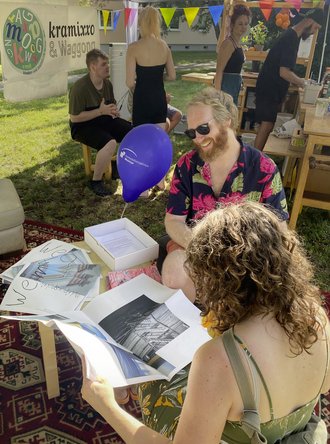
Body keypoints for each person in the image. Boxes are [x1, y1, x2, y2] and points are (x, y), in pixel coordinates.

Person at [81, 201, 330, 444]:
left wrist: (107, 406)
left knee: (156, 383)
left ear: (219, 283)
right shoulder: (317, 317)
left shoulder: (219, 360)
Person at [161, 87, 288, 302]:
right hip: (195, 247)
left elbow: (280, 231)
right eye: (191, 132)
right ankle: (192, 328)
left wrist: (237, 259)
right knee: (174, 271)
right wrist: (204, 249)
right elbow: (173, 220)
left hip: (245, 257)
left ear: (226, 120)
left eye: (203, 128)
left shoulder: (264, 168)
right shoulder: (187, 165)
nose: (198, 139)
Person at [254, 8, 323, 151]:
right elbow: (284, 72)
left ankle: (256, 159)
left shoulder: (292, 36)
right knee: (266, 125)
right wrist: (304, 83)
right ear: (309, 21)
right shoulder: (291, 39)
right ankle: (254, 161)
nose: (314, 32)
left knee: (266, 125)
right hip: (269, 88)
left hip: (270, 87)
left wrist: (299, 80)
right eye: (316, 27)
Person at [69, 49, 132, 197]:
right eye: (103, 64)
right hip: (82, 126)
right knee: (109, 143)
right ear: (92, 67)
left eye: (107, 63)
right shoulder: (80, 88)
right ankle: (96, 181)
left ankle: (117, 166)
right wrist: (100, 111)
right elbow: (74, 118)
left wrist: (113, 110)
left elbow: (109, 106)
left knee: (131, 133)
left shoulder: (107, 84)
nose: (107, 67)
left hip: (103, 119)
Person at [214, 4, 251, 104]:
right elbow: (219, 72)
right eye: (240, 24)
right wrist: (218, 98)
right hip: (226, 89)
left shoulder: (237, 44)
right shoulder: (228, 44)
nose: (243, 27)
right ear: (232, 25)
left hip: (234, 88)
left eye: (246, 24)